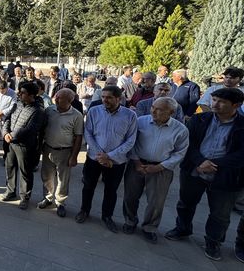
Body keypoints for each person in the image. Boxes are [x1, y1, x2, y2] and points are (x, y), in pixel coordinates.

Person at [164, 88, 244, 261]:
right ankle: (183, 228)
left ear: (236, 105)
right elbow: (188, 143)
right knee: (185, 203)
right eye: (214, 99)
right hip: (194, 171)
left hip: (225, 177)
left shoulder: (242, 126)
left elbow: (241, 154)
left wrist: (214, 165)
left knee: (220, 214)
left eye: (221, 101)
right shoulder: (200, 119)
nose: (215, 104)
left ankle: (213, 242)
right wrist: (200, 161)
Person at [122, 98, 189, 244]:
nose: (153, 111)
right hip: (137, 165)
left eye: (159, 109)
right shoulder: (141, 121)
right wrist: (137, 162)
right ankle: (130, 221)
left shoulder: (180, 129)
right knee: (130, 196)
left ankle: (149, 228)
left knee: (156, 202)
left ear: (171, 112)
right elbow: (130, 142)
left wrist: (159, 167)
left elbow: (179, 153)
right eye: (153, 107)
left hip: (161, 169)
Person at [76, 85, 137, 233]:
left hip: (116, 162)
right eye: (103, 97)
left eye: (108, 97)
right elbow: (88, 133)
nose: (105, 100)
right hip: (93, 158)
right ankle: (84, 210)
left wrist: (109, 156)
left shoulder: (130, 116)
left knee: (111, 190)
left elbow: (130, 140)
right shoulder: (94, 111)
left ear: (118, 98)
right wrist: (100, 155)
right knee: (88, 186)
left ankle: (107, 216)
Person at [38, 88, 84, 217]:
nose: (56, 99)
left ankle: (61, 203)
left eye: (59, 98)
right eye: (56, 97)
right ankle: (47, 198)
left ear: (70, 101)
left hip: (65, 151)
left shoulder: (77, 116)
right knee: (47, 176)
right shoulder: (50, 110)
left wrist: (74, 156)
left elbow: (78, 136)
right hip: (48, 148)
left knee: (63, 179)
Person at [1, 82, 46, 210]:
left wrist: (12, 135)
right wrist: (5, 133)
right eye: (19, 92)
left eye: (22, 93)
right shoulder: (18, 104)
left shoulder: (38, 110)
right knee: (9, 167)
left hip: (24, 145)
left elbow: (31, 129)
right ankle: (10, 191)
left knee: (25, 171)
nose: (19, 94)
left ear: (31, 95)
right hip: (10, 142)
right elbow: (7, 119)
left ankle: (24, 198)